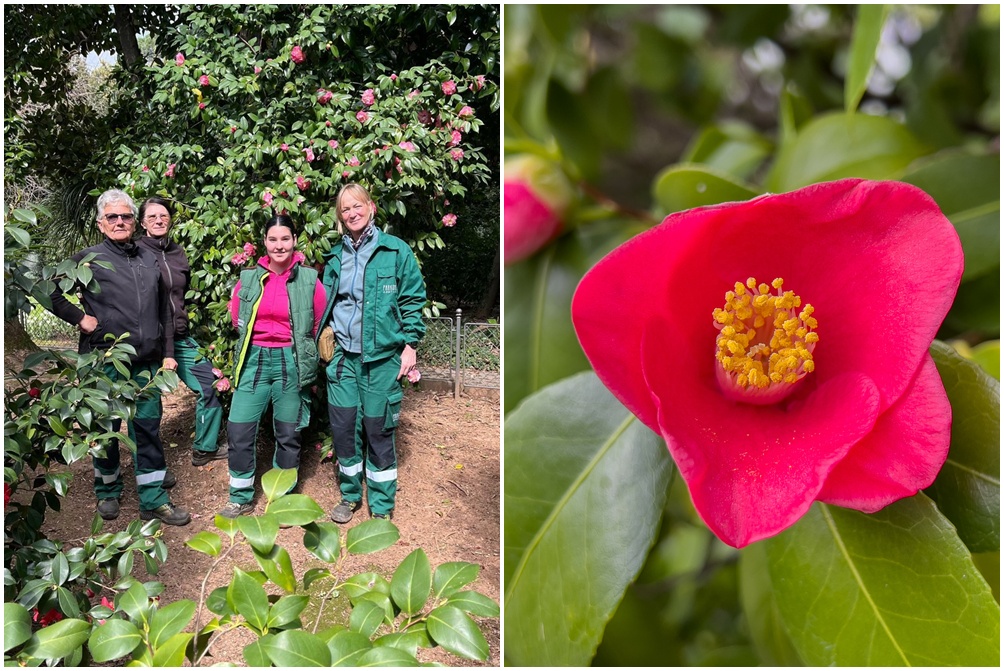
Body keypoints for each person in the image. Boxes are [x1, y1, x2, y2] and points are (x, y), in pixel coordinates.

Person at [48, 189, 190, 525]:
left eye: (126, 216)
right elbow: (50, 290)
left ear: (134, 221)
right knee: (106, 427)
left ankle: (153, 499)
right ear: (101, 223)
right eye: (112, 217)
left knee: (148, 429)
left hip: (147, 363)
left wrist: (168, 353)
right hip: (104, 361)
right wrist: (80, 318)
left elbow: (165, 310)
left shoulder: (148, 258)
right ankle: (108, 490)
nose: (120, 222)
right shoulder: (88, 258)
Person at [319, 183, 427, 523]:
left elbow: (412, 300)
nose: (352, 213)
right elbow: (326, 303)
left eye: (357, 206)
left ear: (371, 207)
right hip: (343, 359)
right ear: (340, 217)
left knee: (378, 430)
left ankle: (381, 505)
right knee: (344, 429)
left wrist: (410, 346)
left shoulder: (395, 251)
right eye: (345, 209)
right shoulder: (334, 257)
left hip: (381, 359)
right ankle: (350, 495)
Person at [222, 214, 326, 518]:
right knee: (239, 429)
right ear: (264, 243)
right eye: (272, 239)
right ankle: (240, 496)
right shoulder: (248, 278)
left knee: (288, 433)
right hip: (254, 361)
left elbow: (316, 326)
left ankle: (282, 499)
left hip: (290, 362)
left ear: (294, 240)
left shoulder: (310, 280)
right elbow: (238, 319)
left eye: (285, 239)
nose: (279, 245)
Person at [136, 197, 228, 467]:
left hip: (179, 337)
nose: (158, 220)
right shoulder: (135, 253)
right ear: (142, 223)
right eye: (152, 217)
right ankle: (150, 467)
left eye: (163, 215)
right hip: (149, 342)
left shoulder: (177, 252)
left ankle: (205, 448)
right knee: (147, 405)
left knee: (210, 386)